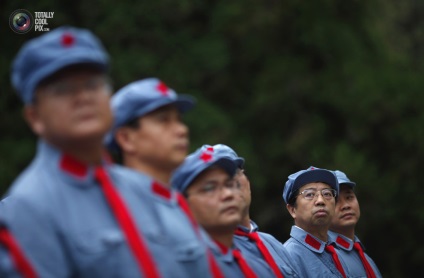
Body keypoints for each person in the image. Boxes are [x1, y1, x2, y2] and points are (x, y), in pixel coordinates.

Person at [1, 26, 216, 277]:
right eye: (62, 89)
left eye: (93, 84)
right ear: (34, 116)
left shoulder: (139, 190)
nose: (83, 97)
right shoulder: (29, 206)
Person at [104, 78, 223, 277]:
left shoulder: (174, 203)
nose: (181, 130)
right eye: (163, 120)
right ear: (126, 138)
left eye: (178, 119)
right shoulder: (115, 206)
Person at [171, 145, 275, 277]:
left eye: (229, 184)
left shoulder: (259, 267)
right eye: (209, 188)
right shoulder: (176, 269)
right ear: (183, 203)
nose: (227, 194)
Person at [209, 144, 298, 277]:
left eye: (235, 173)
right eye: (215, 183)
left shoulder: (272, 243)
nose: (230, 186)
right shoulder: (209, 253)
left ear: (247, 180)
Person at [282, 166, 349, 278]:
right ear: (292, 210)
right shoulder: (288, 258)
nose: (320, 201)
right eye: (309, 194)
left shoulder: (337, 253)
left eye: (327, 194)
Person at [329, 170, 382, 278]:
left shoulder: (367, 259)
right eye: (336, 201)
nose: (346, 206)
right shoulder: (326, 257)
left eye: (349, 197)